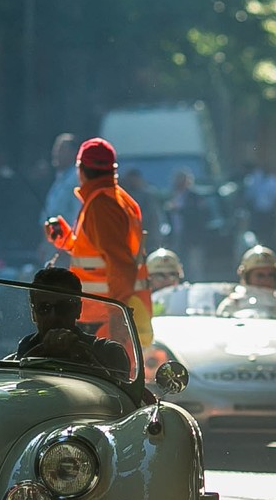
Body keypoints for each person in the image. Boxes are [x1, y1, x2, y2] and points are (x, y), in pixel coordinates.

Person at [43, 137, 152, 345]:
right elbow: (98, 257)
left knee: (110, 377)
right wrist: (67, 240)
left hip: (104, 321)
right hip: (104, 317)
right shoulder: (114, 200)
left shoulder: (102, 205)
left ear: (80, 169)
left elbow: (119, 263)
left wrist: (118, 318)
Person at [14, 267, 130, 376]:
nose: (53, 316)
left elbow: (116, 391)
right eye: (44, 308)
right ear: (33, 313)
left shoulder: (109, 353)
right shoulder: (21, 355)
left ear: (78, 309)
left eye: (63, 307)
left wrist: (82, 355)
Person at [216, 245, 276, 320]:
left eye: (271, 275)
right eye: (260, 276)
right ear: (246, 277)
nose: (266, 280)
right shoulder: (232, 304)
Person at [241, 158, 276, 253]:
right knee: (257, 235)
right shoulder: (255, 178)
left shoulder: (274, 181)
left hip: (269, 213)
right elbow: (249, 195)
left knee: (269, 236)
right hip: (257, 213)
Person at [38, 133, 79, 227]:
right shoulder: (61, 178)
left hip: (66, 235)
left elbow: (77, 211)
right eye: (56, 149)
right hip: (53, 234)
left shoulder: (76, 178)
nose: (56, 153)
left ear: (73, 153)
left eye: (62, 149)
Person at [146, 248, 187, 316]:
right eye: (160, 276)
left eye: (172, 275)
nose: (167, 281)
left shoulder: (186, 303)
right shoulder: (139, 304)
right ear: (149, 279)